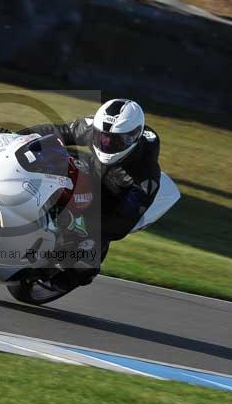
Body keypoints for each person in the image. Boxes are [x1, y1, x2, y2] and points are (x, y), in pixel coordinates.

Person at [19, 98, 161, 289]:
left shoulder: (146, 175)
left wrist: (80, 223)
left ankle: (61, 281)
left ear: (132, 138)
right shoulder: (95, 126)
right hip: (91, 172)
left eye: (115, 140)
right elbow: (59, 130)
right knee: (51, 156)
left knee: (86, 262)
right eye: (102, 136)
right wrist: (20, 136)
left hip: (108, 205)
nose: (106, 143)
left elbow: (121, 223)